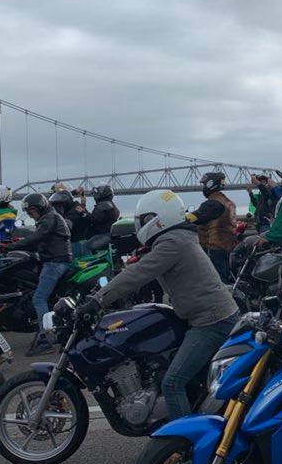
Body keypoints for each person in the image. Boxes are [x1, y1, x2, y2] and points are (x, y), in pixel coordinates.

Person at [77, 190, 238, 417]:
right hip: (205, 315)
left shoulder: (172, 243)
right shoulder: (177, 238)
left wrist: (97, 300)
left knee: (172, 384)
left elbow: (138, 274)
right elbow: (142, 268)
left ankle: (182, 444)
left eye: (143, 220)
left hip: (211, 321)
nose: (140, 225)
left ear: (159, 218)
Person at [5, 193, 71, 355]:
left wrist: (8, 247)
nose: (29, 215)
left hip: (54, 263)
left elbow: (36, 237)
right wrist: (14, 244)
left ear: (41, 207)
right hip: (54, 261)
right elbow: (38, 242)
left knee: (39, 298)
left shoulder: (49, 218)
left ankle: (44, 340)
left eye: (31, 211)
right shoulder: (50, 217)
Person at [187, 172, 237, 283]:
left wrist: (183, 218)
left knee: (217, 282)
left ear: (210, 184)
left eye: (204, 184)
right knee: (226, 279)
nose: (203, 187)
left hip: (215, 248)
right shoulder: (227, 201)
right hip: (228, 246)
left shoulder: (212, 204)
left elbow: (194, 218)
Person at [50, 190, 91, 257]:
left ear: (65, 204)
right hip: (78, 242)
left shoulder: (74, 211)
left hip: (77, 244)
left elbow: (67, 225)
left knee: (65, 263)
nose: (57, 209)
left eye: (59, 206)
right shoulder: (74, 207)